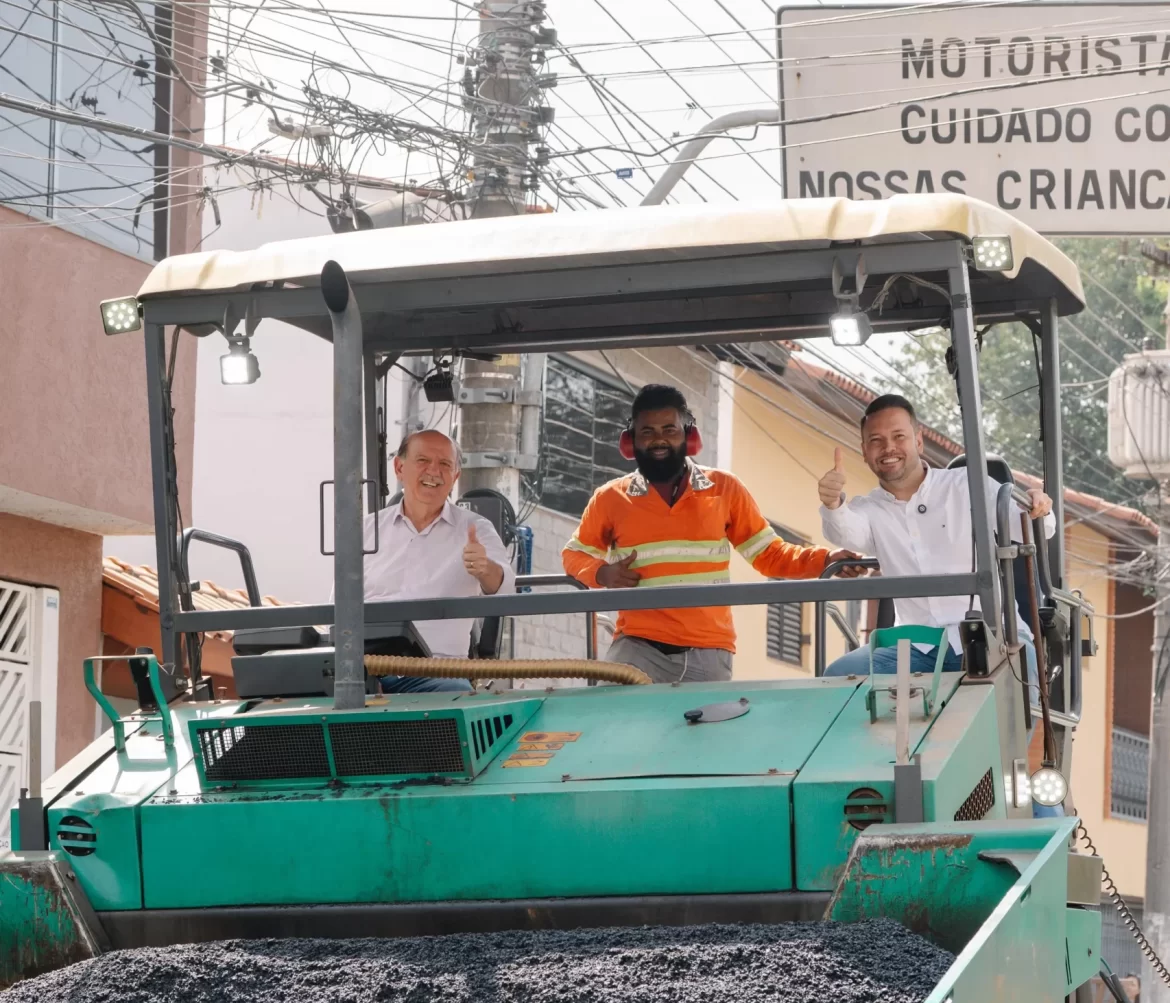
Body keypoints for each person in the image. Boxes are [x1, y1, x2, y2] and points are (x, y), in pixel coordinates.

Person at [818, 394, 1062, 817]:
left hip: (990, 639)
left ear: (917, 439)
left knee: (1011, 761)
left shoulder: (970, 487)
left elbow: (1032, 523)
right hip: (918, 648)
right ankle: (859, 798)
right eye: (876, 440)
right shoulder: (867, 508)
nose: (888, 448)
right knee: (839, 676)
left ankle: (1045, 843)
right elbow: (847, 533)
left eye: (898, 436)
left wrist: (1039, 508)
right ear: (863, 451)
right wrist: (832, 501)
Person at [563, 384, 865, 683]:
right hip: (637, 647)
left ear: (689, 435)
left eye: (670, 429)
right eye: (647, 432)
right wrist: (602, 574)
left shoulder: (725, 489)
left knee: (708, 731)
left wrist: (827, 559)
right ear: (631, 441)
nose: (659, 440)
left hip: (709, 652)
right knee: (612, 726)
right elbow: (574, 554)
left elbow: (769, 555)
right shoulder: (610, 498)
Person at [345, 428, 516, 693]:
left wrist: (485, 569)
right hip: (363, 668)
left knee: (451, 696)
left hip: (436, 672)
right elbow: (339, 605)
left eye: (445, 464)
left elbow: (504, 589)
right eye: (423, 460)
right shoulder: (365, 530)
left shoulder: (476, 528)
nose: (434, 471)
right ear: (399, 467)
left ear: (455, 476)